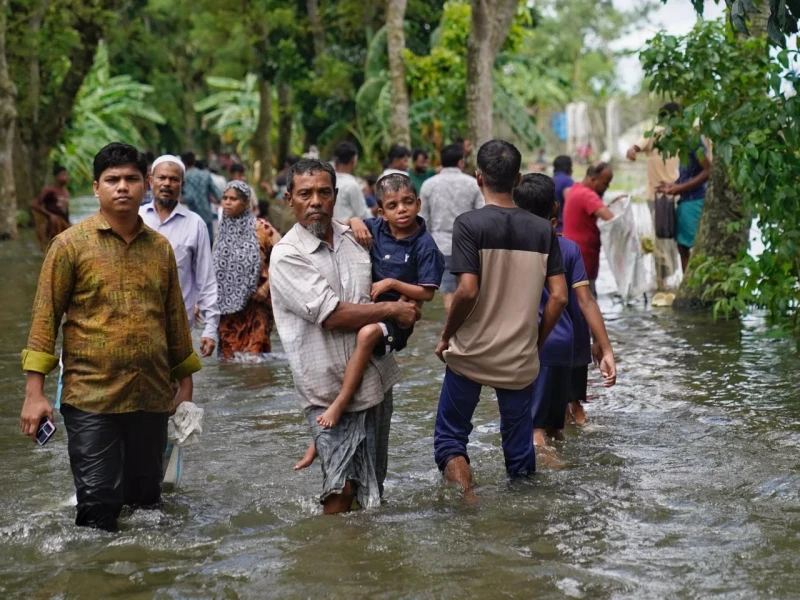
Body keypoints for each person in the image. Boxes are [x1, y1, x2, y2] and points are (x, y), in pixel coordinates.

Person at [19, 143, 201, 532]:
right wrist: (35, 394)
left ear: (145, 186)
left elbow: (174, 321)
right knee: (98, 507)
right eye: (112, 180)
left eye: (131, 179)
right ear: (97, 187)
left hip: (151, 397)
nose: (123, 187)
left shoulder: (160, 248)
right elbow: (44, 319)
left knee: (146, 505)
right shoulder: (70, 245)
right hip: (91, 399)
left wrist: (185, 383)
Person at [269, 159, 420, 514]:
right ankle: (332, 563)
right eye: (305, 194)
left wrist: (408, 307)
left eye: (324, 192)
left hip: (376, 381)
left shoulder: (359, 237)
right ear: (290, 200)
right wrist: (393, 311)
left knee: (372, 489)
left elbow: (401, 266)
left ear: (336, 195)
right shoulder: (287, 255)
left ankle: (362, 564)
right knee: (341, 489)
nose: (315, 201)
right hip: (325, 392)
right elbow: (333, 315)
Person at [432, 140, 568, 499]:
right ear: (518, 178)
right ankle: (523, 515)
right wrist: (536, 341)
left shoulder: (469, 225)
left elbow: (467, 291)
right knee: (520, 451)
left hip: (471, 353)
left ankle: (466, 495)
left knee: (451, 438)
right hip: (518, 357)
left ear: (479, 177)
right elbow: (559, 296)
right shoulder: (542, 230)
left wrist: (447, 335)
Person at [303, 172, 443, 435]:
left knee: (367, 334)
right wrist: (355, 220)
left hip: (397, 320)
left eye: (408, 202)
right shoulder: (376, 229)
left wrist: (392, 284)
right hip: (367, 308)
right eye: (392, 206)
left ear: (419, 204)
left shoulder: (425, 245)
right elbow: (340, 229)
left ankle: (340, 402)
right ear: (382, 212)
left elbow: (427, 294)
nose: (402, 210)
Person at [513, 174, 616, 447]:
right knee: (557, 430)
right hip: (565, 346)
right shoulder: (568, 248)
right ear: (555, 212)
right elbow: (586, 301)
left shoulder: (512, 250)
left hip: (529, 345)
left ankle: (550, 480)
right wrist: (605, 348)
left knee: (535, 433)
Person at [140, 155, 220, 358]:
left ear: (182, 185)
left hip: (178, 328)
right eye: (162, 178)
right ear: (150, 181)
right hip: (136, 325)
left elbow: (206, 279)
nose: (167, 183)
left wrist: (211, 329)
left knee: (175, 386)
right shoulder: (135, 218)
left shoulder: (195, 224)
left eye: (174, 179)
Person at [213, 181, 281, 360]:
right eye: (225, 198)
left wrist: (266, 287)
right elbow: (214, 272)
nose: (227, 202)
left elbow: (284, 261)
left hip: (257, 305)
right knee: (229, 360)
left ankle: (256, 388)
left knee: (254, 358)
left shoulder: (262, 229)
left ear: (245, 203)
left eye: (233, 199)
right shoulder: (222, 232)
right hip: (228, 311)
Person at [419, 142, 484, 312]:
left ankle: (451, 331)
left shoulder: (429, 184)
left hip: (441, 244)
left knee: (448, 291)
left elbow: (422, 218)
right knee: (468, 290)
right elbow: (482, 214)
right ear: (460, 162)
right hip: (469, 245)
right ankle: (467, 330)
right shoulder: (473, 184)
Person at [626, 103, 682, 287]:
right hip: (681, 194)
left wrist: (632, 153)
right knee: (679, 239)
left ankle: (662, 282)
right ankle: (676, 279)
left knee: (661, 240)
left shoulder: (654, 133)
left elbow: (633, 149)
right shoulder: (683, 134)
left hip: (657, 197)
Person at [656, 135, 712, 272]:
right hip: (686, 200)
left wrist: (681, 188)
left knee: (694, 248)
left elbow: (709, 170)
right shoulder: (684, 142)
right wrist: (674, 185)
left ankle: (695, 288)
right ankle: (688, 287)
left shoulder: (693, 140)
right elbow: (690, 173)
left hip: (695, 200)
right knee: (682, 247)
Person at [562, 163, 616, 294]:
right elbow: (612, 219)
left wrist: (613, 203)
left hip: (571, 258)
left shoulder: (576, 188)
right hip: (584, 261)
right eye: (605, 183)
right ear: (593, 180)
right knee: (587, 303)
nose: (607, 188)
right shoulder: (588, 195)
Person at [181, 152, 220, 244]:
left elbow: (189, 197)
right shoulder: (206, 174)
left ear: (183, 162)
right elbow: (218, 193)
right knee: (208, 244)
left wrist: (181, 199)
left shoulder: (185, 177)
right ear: (194, 161)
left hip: (190, 216)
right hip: (206, 214)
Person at [332, 141, 371, 221]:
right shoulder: (351, 184)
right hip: (348, 230)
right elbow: (363, 214)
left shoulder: (330, 180)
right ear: (353, 160)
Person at [34, 165, 71, 244]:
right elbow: (35, 205)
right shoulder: (49, 190)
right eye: (63, 175)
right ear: (57, 177)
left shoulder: (66, 192)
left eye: (67, 175)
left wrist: (69, 223)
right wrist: (50, 215)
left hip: (63, 222)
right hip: (52, 224)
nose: (66, 177)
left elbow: (66, 211)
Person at [552, 155, 574, 233]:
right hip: (563, 227)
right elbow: (571, 204)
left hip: (551, 226)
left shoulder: (550, 180)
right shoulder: (567, 181)